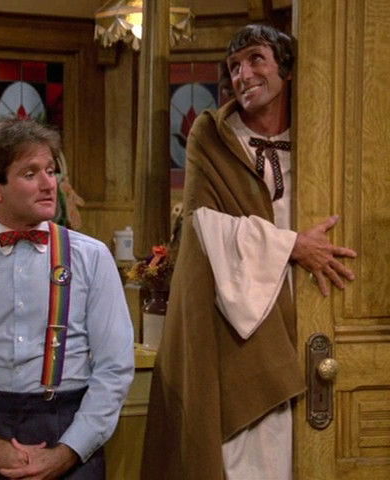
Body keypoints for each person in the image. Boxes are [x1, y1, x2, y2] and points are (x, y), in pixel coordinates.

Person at [141, 24, 357, 480]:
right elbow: (203, 225)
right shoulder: (213, 134)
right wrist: (292, 245)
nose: (244, 74)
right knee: (248, 450)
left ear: (287, 69)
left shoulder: (321, 134)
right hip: (237, 310)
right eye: (235, 66)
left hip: (315, 302)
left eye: (257, 59)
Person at [0, 117, 135, 479]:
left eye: (50, 170)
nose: (49, 183)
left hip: (69, 428)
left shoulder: (92, 257)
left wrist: (68, 451)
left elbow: (114, 369)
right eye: (30, 173)